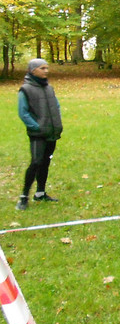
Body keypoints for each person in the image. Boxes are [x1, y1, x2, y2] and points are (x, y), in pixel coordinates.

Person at [16, 59, 62, 210]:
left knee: (46, 162)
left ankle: (40, 193)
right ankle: (23, 197)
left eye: (47, 68)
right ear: (33, 70)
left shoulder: (49, 88)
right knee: (36, 162)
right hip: (37, 134)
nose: (46, 71)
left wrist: (56, 122)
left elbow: (56, 106)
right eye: (42, 68)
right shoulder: (25, 89)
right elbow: (23, 113)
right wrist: (36, 127)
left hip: (51, 132)